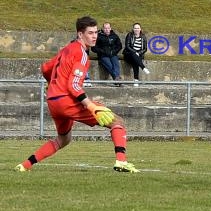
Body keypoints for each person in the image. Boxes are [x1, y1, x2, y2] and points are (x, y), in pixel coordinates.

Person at [14, 16, 139, 173]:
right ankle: (121, 162)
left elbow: (45, 68)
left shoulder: (66, 49)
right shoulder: (81, 53)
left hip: (53, 101)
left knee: (64, 139)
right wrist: (90, 105)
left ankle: (25, 165)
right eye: (90, 33)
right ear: (80, 34)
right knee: (117, 121)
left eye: (95, 32)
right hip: (67, 100)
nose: (94, 36)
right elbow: (73, 85)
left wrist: (50, 84)